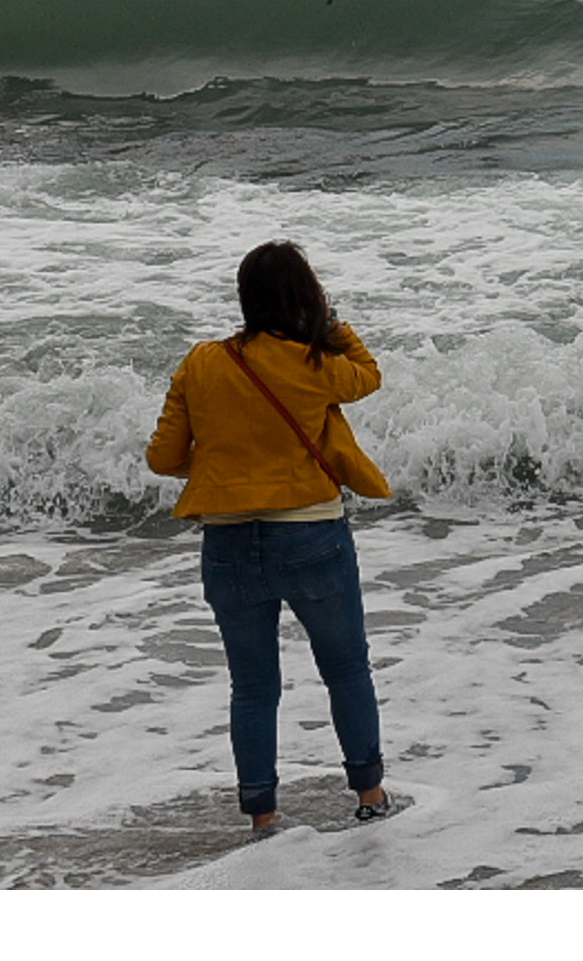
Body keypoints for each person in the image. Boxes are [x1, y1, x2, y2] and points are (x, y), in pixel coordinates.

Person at [146, 239, 398, 832]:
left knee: (253, 687)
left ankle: (262, 816)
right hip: (312, 535)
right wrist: (331, 319)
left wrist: (226, 471)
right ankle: (370, 796)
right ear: (304, 296)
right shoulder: (312, 364)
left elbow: (163, 458)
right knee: (346, 670)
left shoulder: (202, 362)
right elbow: (368, 375)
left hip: (229, 546)